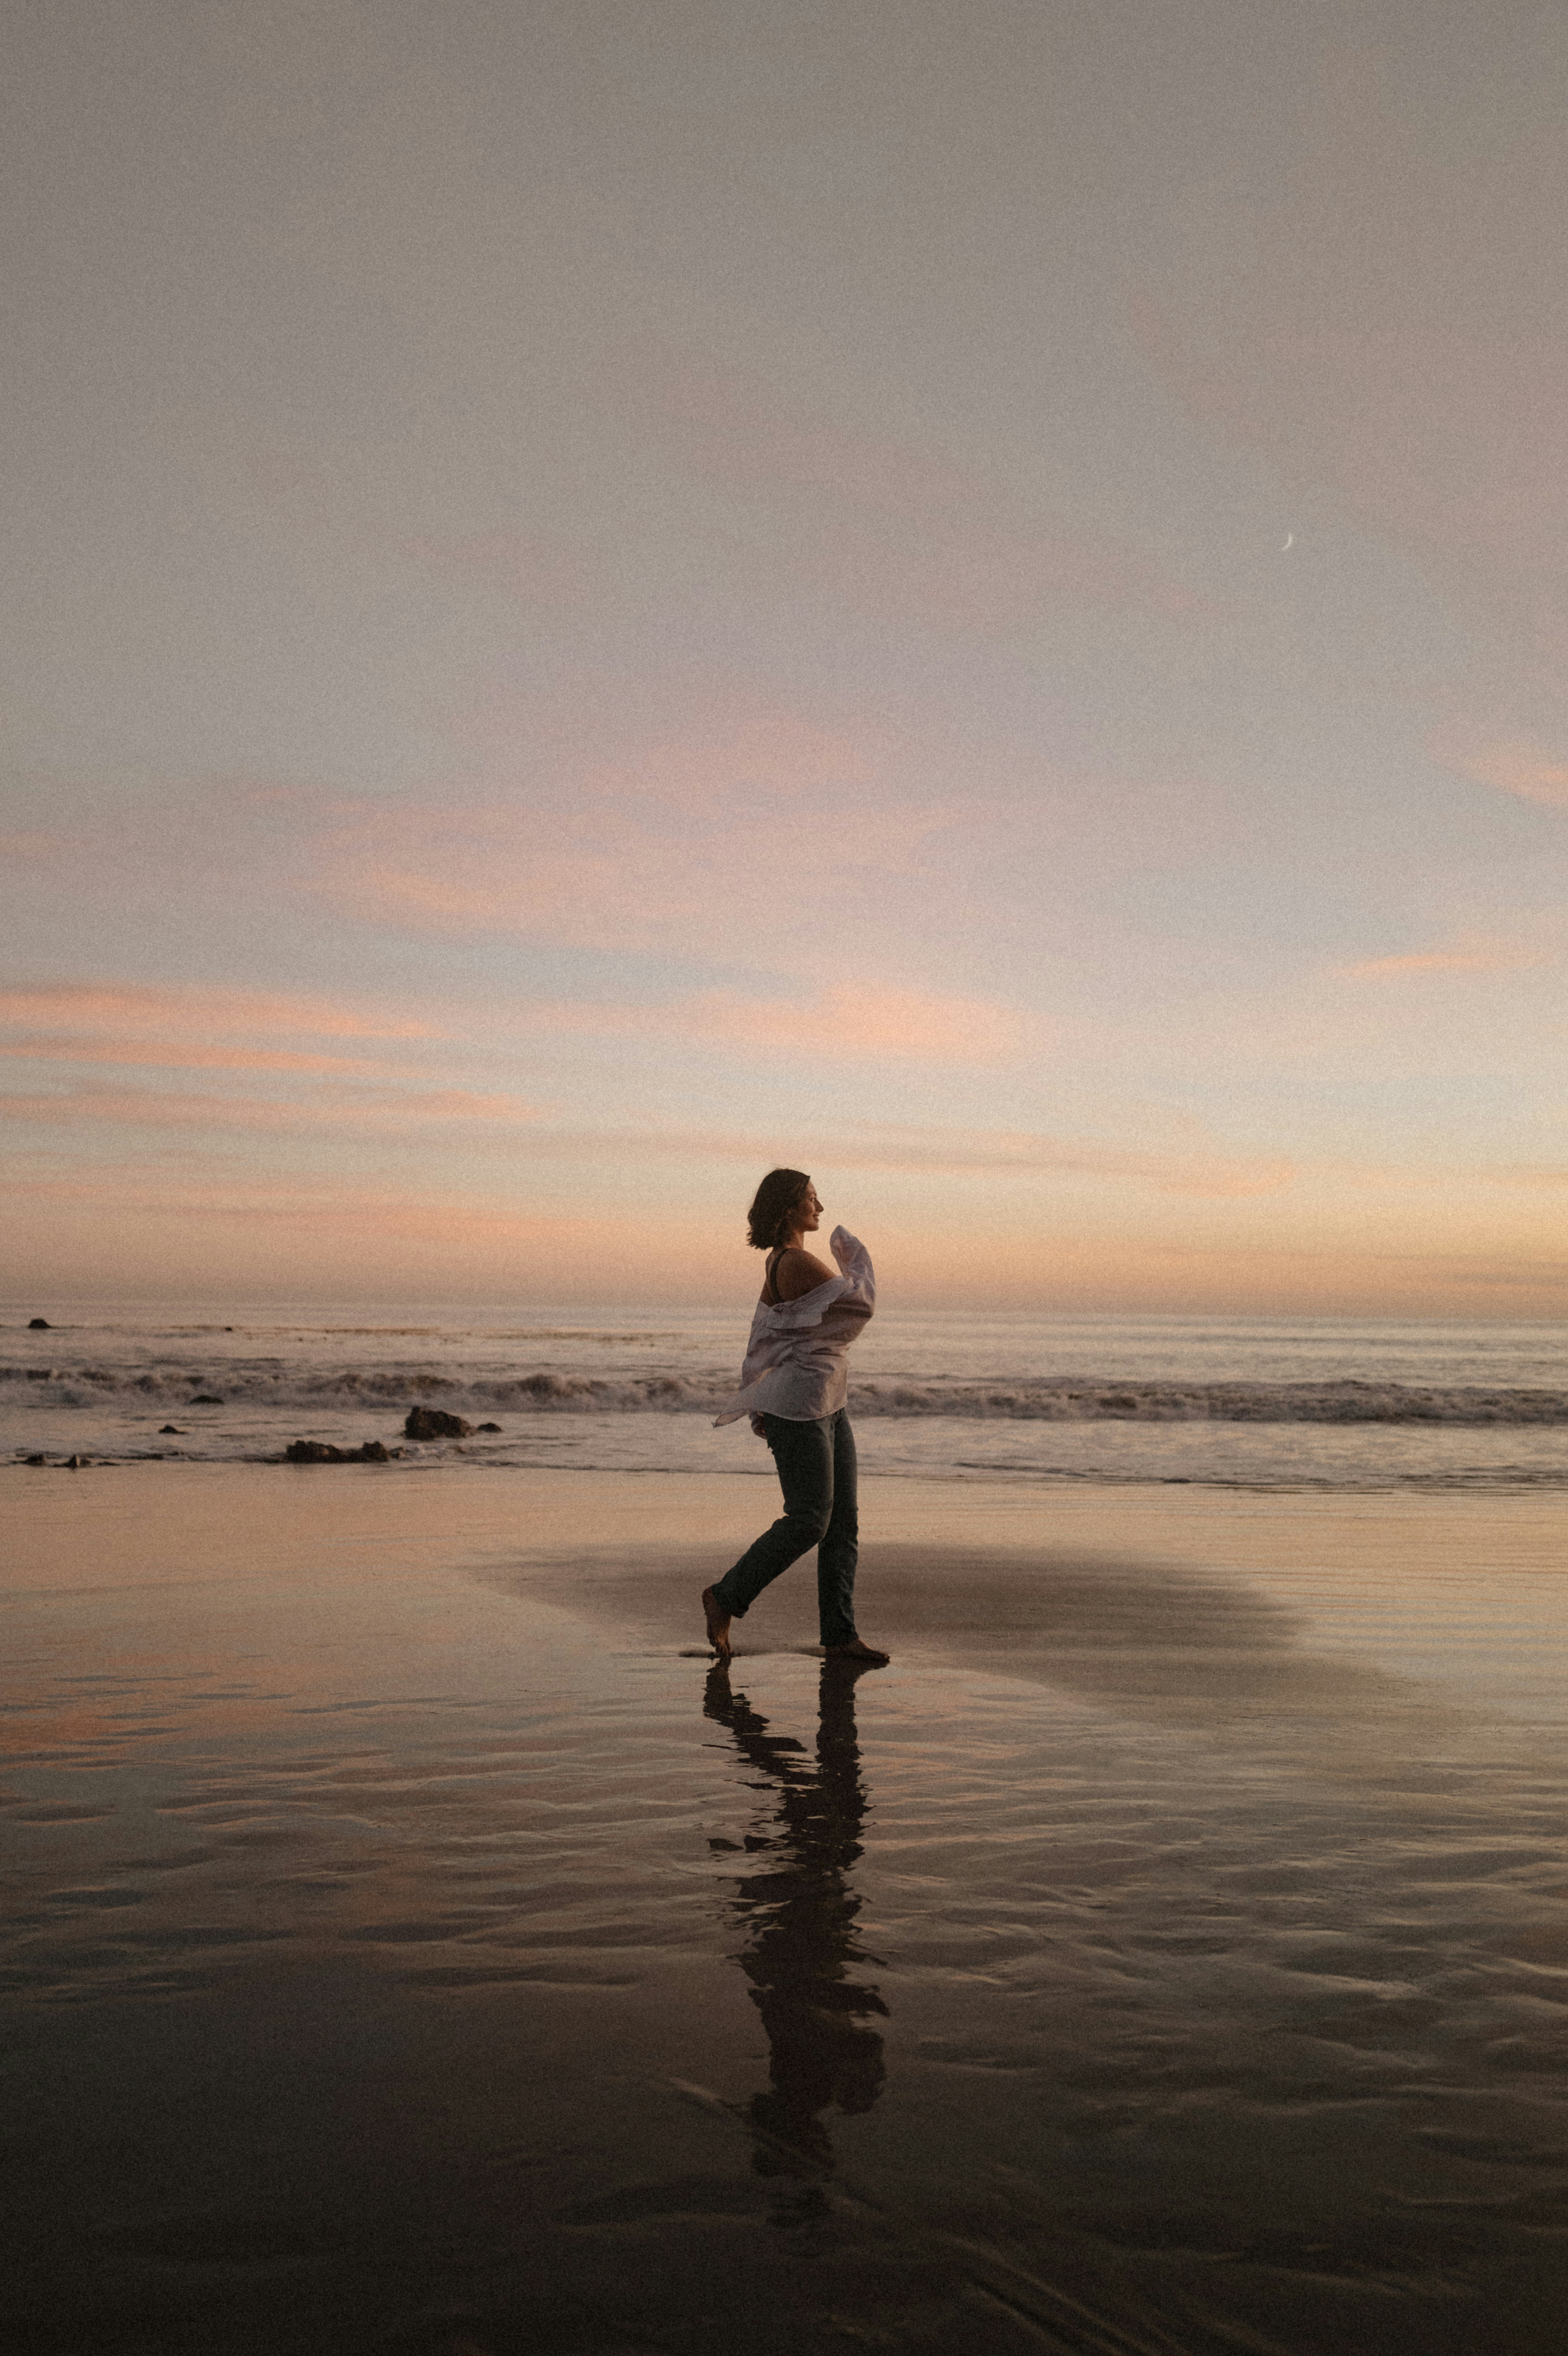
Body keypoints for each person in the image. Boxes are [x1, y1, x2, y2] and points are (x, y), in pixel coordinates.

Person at [702, 1169, 889, 1666]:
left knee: (841, 1524)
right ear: (789, 1207)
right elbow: (858, 1309)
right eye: (811, 1199)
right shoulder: (796, 1262)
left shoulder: (789, 1260)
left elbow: (808, 1333)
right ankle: (726, 1596)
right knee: (809, 1519)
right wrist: (856, 1256)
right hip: (801, 1407)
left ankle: (840, 1635)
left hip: (828, 1400)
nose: (820, 1208)